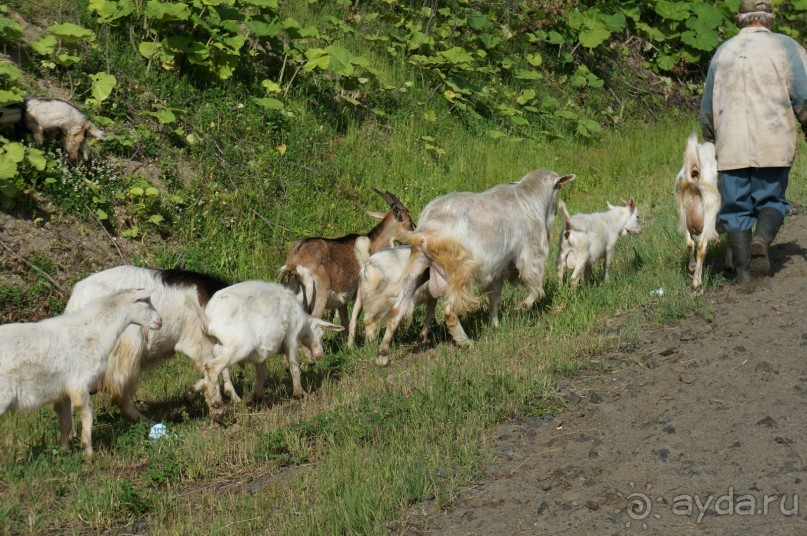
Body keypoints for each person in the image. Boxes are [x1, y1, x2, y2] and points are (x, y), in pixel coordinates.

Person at [700, 0, 807, 283]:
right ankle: (761, 239)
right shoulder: (786, 47)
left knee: (735, 207)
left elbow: (708, 107)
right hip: (774, 141)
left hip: (731, 146)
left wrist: (710, 135)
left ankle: (744, 274)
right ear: (769, 18)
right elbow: (803, 95)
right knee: (772, 198)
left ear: (740, 19)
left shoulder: (723, 52)